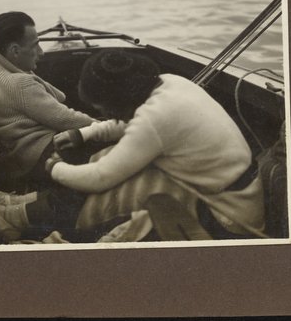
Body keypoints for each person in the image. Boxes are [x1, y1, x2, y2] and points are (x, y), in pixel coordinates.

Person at [48, 49, 265, 240]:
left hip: (228, 219)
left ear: (118, 103)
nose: (105, 114)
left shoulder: (154, 119)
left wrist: (54, 168)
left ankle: (68, 233)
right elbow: (132, 123)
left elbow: (100, 178)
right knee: (112, 165)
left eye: (102, 108)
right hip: (242, 199)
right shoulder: (171, 82)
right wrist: (85, 133)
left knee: (113, 193)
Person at [0, 12, 94, 187]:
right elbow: (65, 119)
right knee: (106, 145)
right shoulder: (21, 84)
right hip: (42, 154)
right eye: (35, 45)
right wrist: (105, 126)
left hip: (21, 154)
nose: (41, 52)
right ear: (15, 51)